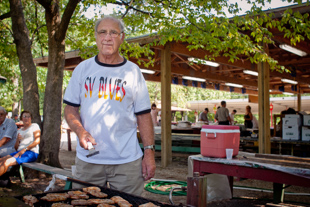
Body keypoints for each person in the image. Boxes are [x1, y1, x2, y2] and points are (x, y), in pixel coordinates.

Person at [63, 16, 155, 196]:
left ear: (122, 37)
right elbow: (70, 109)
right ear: (96, 37)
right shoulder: (83, 69)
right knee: (84, 202)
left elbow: (143, 116)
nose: (107, 37)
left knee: (130, 203)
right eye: (102, 32)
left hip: (127, 161)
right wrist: (80, 131)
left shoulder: (133, 71)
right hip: (88, 159)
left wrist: (149, 152)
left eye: (113, 32)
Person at [0, 110, 40, 177]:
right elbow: (16, 147)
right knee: (1, 160)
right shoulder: (20, 130)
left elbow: (37, 141)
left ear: (31, 118)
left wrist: (25, 149)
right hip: (19, 152)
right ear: (21, 118)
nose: (26, 118)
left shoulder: (34, 126)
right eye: (24, 116)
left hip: (30, 152)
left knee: (6, 162)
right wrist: (18, 139)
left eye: (28, 116)